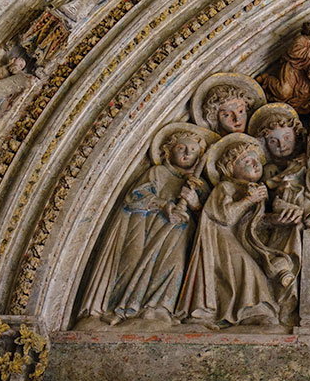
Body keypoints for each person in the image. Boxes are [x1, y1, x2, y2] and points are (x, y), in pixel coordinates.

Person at [78, 124, 215, 326]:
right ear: (168, 151)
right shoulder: (157, 172)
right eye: (181, 148)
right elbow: (135, 196)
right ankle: (125, 307)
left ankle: (160, 308)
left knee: (174, 267)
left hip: (181, 236)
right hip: (147, 230)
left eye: (194, 151)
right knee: (133, 264)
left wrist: (195, 204)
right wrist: (164, 206)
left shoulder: (198, 186)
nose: (187, 154)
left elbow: (211, 221)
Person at [178, 136, 297, 327]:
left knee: (257, 264)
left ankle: (254, 310)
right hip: (219, 239)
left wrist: (277, 221)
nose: (255, 165)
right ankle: (252, 311)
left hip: (243, 239)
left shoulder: (254, 190)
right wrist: (247, 200)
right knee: (246, 267)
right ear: (230, 169)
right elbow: (225, 217)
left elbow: (253, 224)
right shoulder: (225, 187)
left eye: (257, 160)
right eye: (247, 161)